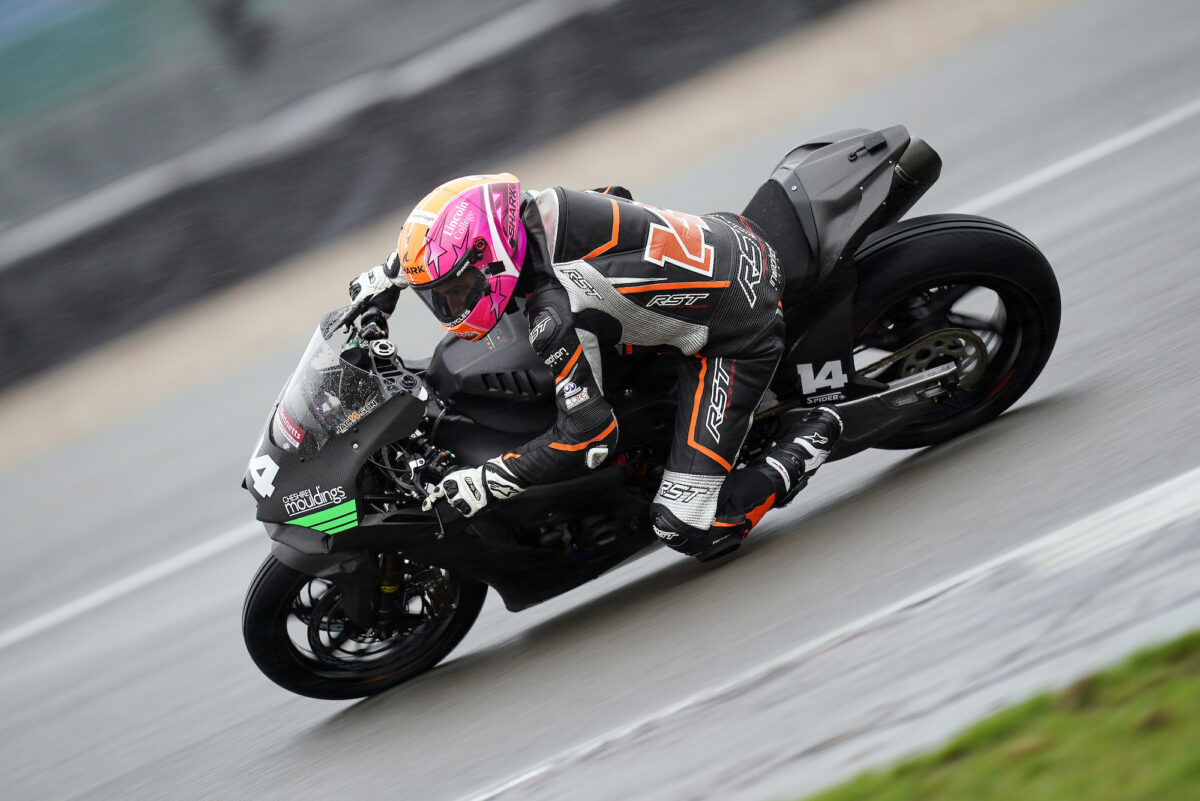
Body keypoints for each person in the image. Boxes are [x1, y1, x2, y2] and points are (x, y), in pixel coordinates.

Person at [349, 174, 841, 561]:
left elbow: (589, 436)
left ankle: (810, 437)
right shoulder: (531, 210)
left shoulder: (557, 313)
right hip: (721, 240)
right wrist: (387, 278)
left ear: (492, 257)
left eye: (455, 290)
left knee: (687, 526)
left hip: (736, 330)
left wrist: (485, 481)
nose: (451, 303)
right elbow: (610, 196)